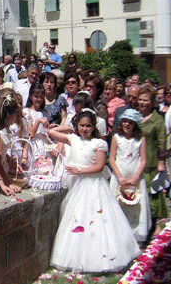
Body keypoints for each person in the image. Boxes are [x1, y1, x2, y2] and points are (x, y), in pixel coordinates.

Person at [49, 110, 140, 272]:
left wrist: (79, 171)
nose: (84, 129)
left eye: (88, 126)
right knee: (76, 217)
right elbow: (51, 132)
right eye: (82, 125)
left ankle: (99, 256)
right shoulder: (73, 139)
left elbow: (99, 166)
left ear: (93, 127)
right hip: (77, 186)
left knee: (94, 217)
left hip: (93, 184)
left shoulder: (99, 143)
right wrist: (68, 129)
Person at [109, 109, 151, 243]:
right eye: (125, 121)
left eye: (131, 122)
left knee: (136, 204)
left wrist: (135, 178)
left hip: (135, 177)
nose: (127, 125)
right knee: (118, 202)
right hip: (120, 176)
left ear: (135, 125)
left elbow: (143, 160)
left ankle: (137, 233)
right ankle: (117, 232)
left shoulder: (140, 139)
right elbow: (112, 159)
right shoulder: (117, 138)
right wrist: (119, 176)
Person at [137, 86, 168, 235]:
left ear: (152, 102)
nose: (142, 103)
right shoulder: (136, 117)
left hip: (151, 162)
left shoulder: (157, 119)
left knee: (153, 194)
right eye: (140, 99)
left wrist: (161, 161)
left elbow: (163, 142)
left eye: (145, 100)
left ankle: (157, 224)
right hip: (136, 162)